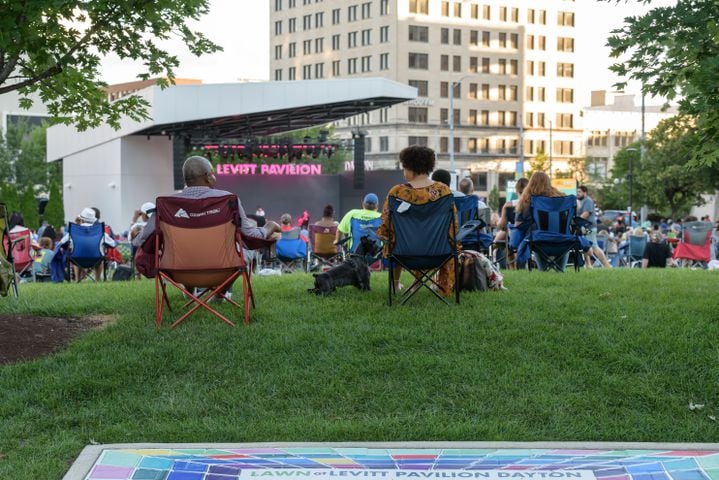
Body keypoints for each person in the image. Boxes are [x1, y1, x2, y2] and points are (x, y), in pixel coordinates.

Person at [134, 156, 281, 248]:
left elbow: (141, 240)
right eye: (212, 173)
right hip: (223, 267)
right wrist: (269, 227)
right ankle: (219, 292)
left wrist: (136, 233)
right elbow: (250, 236)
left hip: (177, 268)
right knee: (245, 253)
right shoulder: (229, 200)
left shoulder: (166, 204)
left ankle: (191, 290)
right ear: (207, 176)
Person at [377, 145, 457, 296]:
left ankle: (394, 284)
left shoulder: (397, 192)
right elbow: (453, 227)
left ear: (410, 167)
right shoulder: (444, 191)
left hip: (403, 254)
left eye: (404, 167)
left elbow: (384, 230)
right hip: (438, 254)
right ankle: (443, 288)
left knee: (393, 237)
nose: (403, 171)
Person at [513, 171, 567, 271]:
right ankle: (561, 269)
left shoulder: (526, 200)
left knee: (535, 232)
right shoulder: (561, 198)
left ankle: (543, 269)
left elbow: (518, 225)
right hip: (561, 238)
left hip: (538, 239)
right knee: (564, 232)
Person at [494, 177, 528, 269]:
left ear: (517, 190)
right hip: (530, 236)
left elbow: (502, 226)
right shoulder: (534, 204)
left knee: (503, 237)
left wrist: (497, 221)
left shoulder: (508, 205)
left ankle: (512, 266)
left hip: (514, 237)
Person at [577, 185, 612, 269]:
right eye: (577, 192)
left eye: (579, 192)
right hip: (584, 228)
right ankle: (588, 265)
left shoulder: (588, 201)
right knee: (585, 246)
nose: (577, 194)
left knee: (594, 247)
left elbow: (586, 214)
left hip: (589, 228)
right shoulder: (580, 201)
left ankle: (607, 266)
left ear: (585, 193)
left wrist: (576, 221)